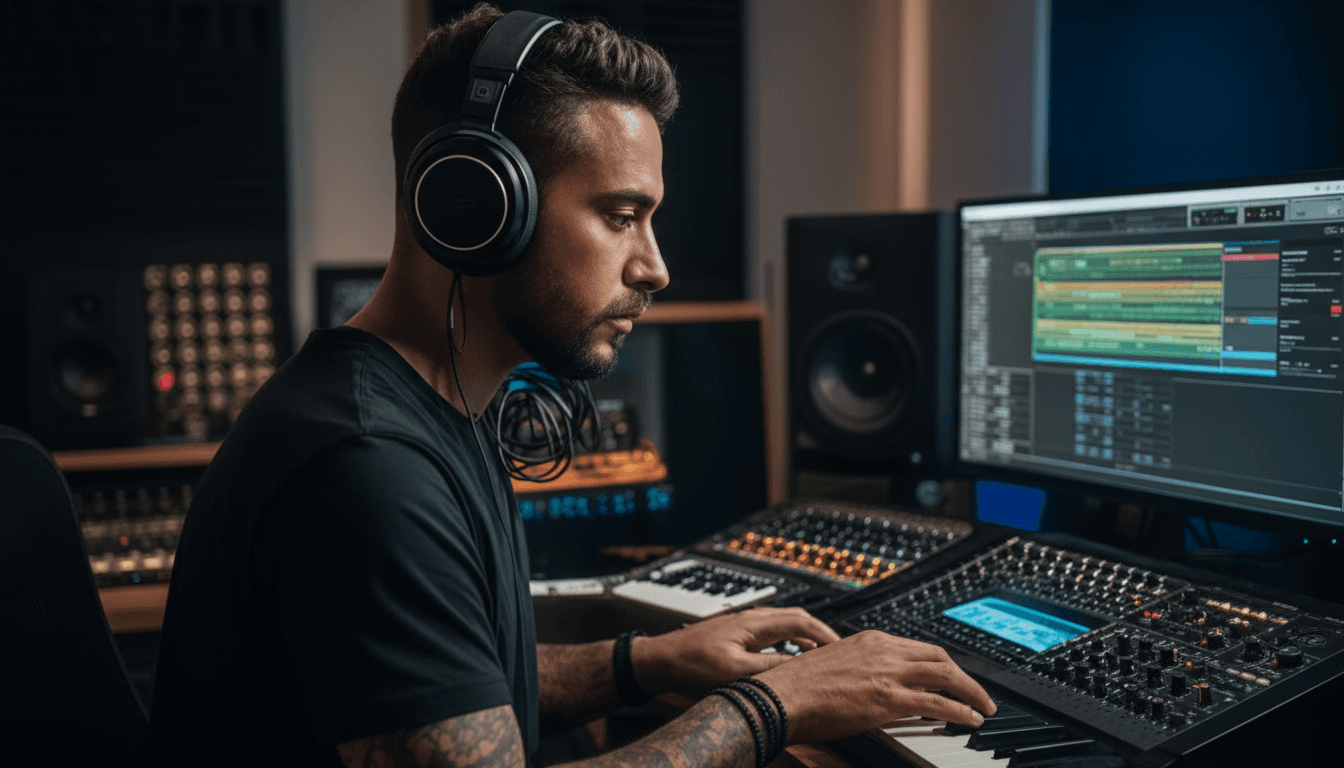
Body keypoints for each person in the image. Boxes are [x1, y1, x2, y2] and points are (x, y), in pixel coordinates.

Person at [150, 4, 994, 767]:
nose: (655, 267)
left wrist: (650, 660)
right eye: (621, 216)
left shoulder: (431, 403)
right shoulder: (364, 466)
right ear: (474, 204)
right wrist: (776, 705)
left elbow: (459, 687)